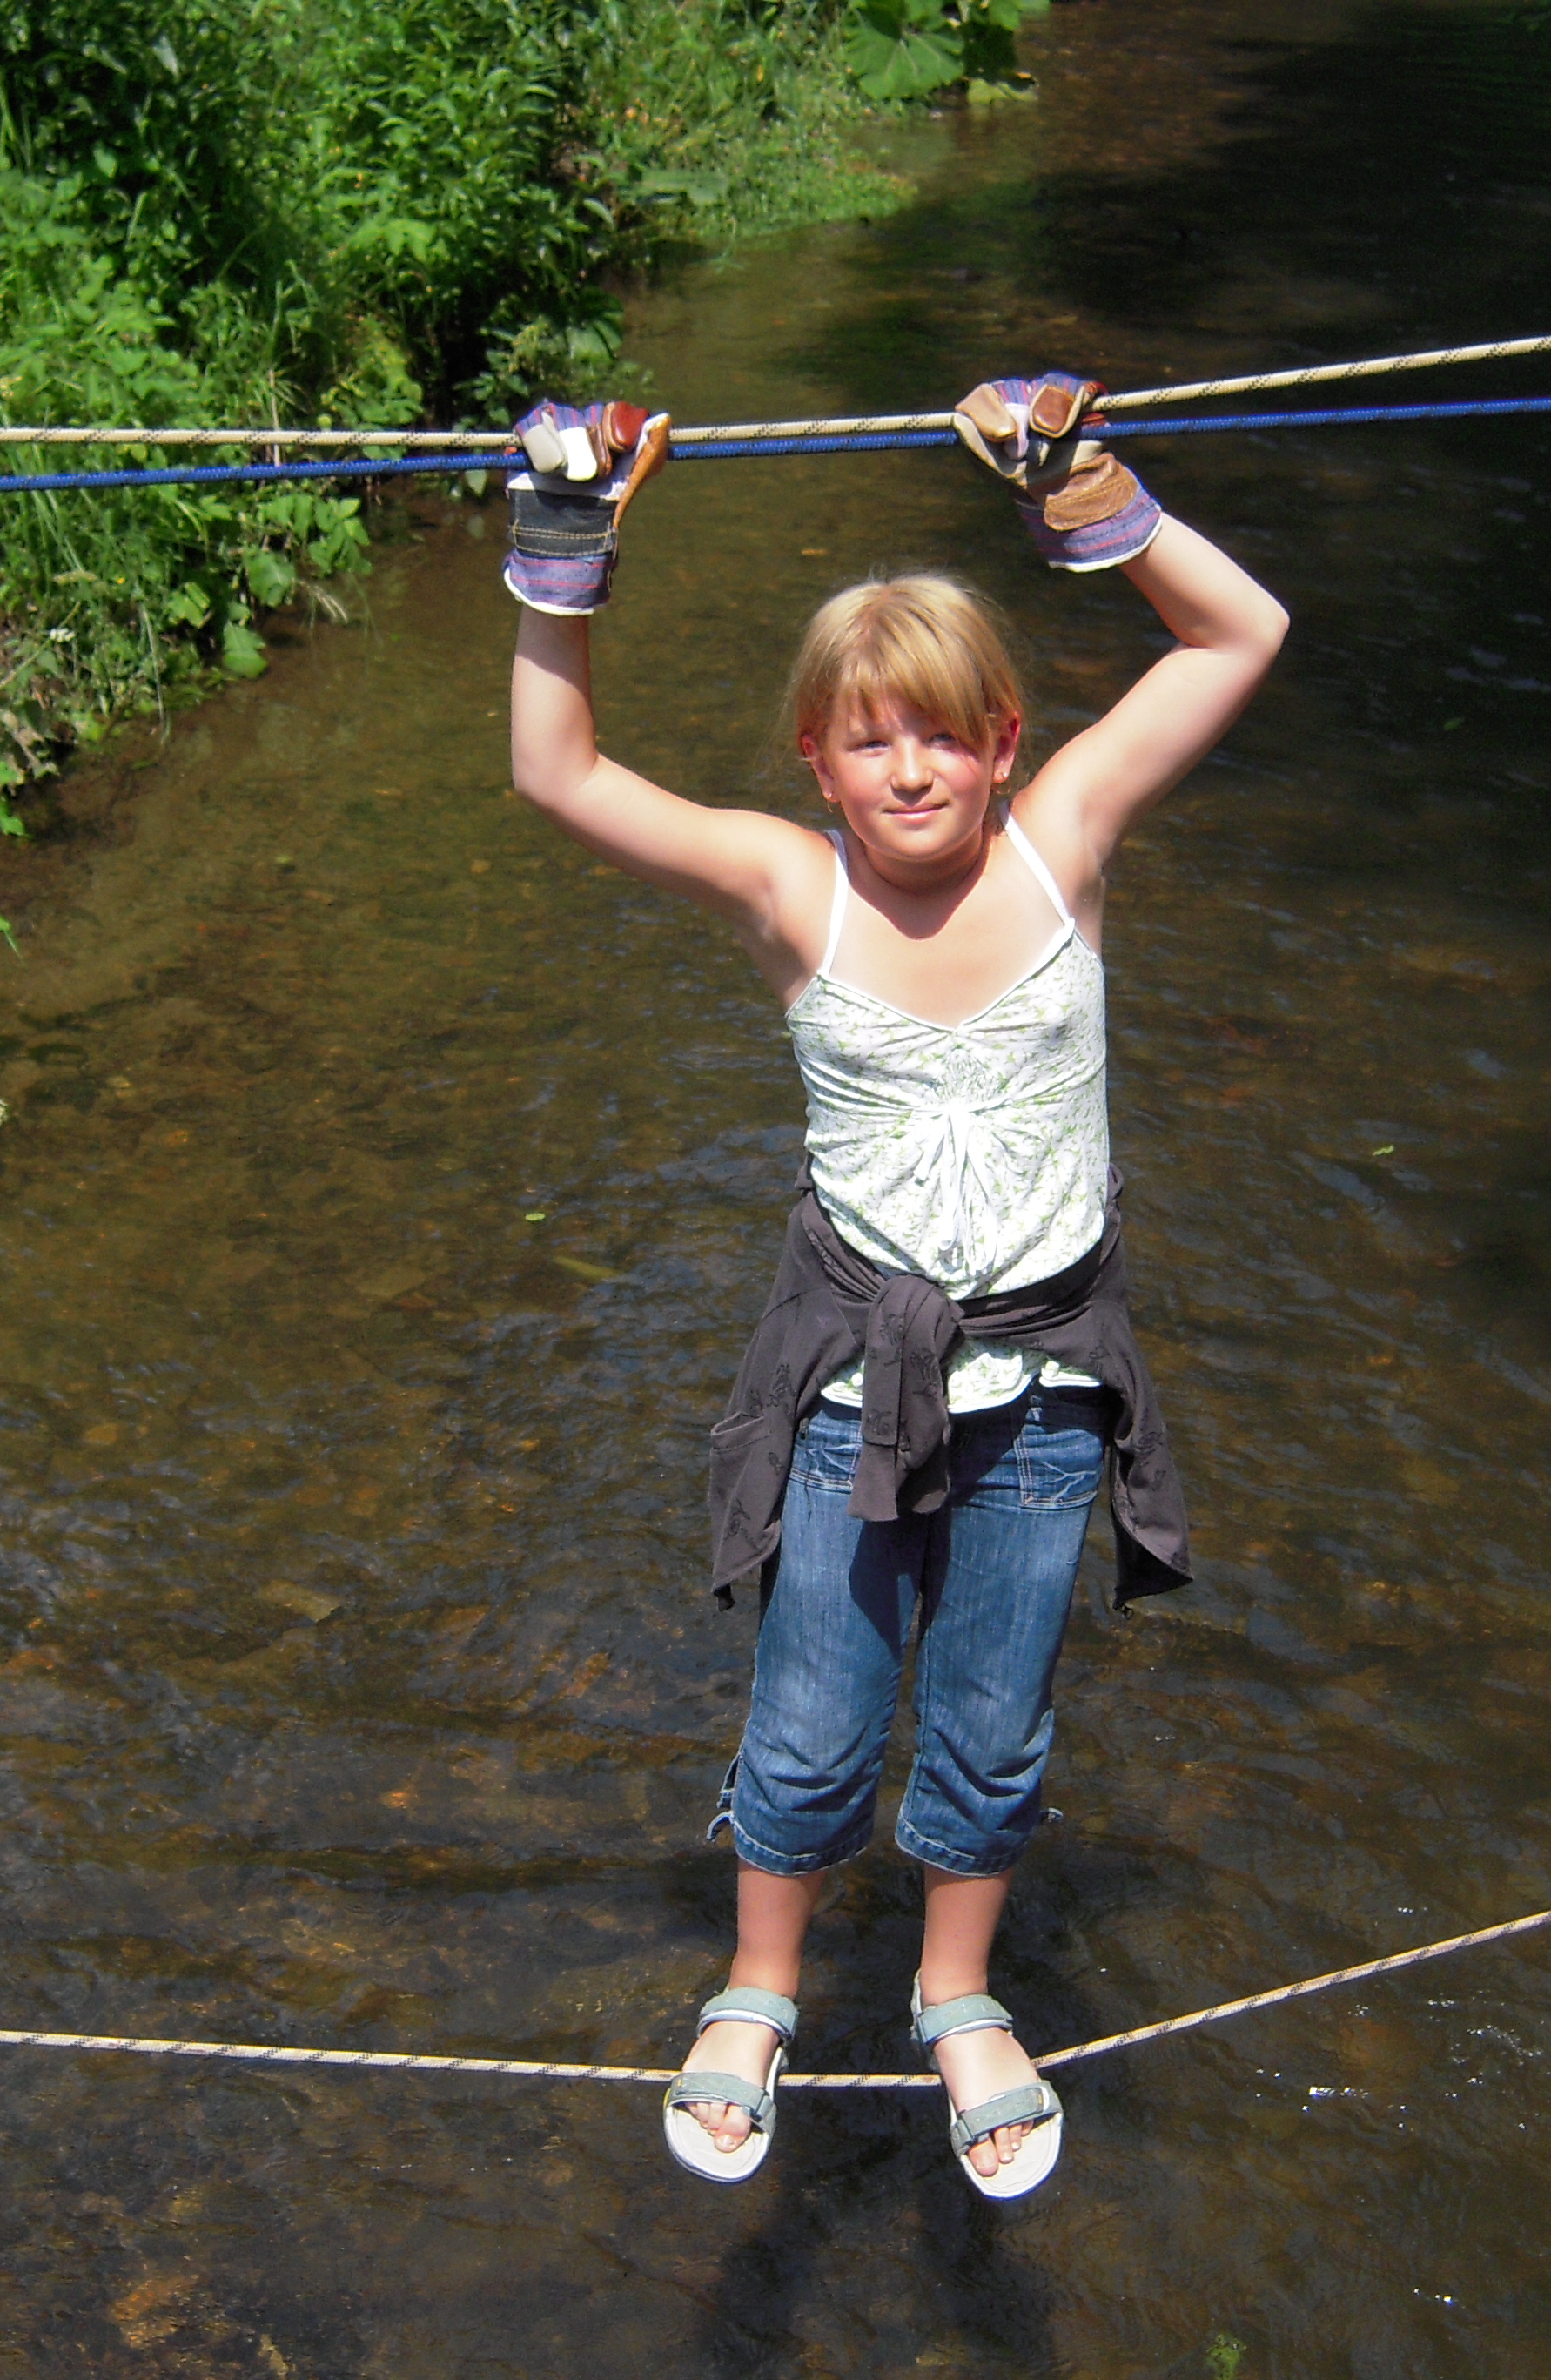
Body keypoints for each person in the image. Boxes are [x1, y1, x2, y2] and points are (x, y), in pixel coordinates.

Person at [503, 378, 1289, 2198]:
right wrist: (564, 544)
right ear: (816, 764)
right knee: (811, 1721)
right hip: (858, 1393)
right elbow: (558, 774)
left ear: (1005, 743)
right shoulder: (793, 892)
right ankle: (760, 1986)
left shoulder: (1067, 840)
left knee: (995, 1723)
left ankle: (955, 1994)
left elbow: (1239, 631)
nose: (912, 771)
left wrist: (1083, 492)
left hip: (1046, 1399)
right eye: (871, 744)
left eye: (943, 736)